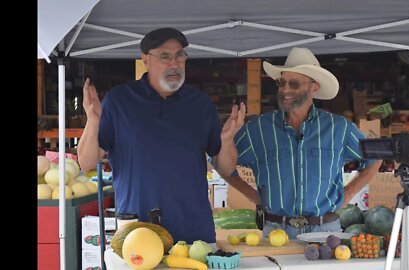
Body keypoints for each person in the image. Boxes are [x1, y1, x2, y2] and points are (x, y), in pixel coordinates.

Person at [77, 28, 246, 244]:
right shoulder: (119, 101)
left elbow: (226, 168)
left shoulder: (200, 104)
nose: (174, 63)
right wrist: (93, 120)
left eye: (180, 55)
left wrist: (227, 140)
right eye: (165, 56)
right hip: (136, 231)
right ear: (145, 60)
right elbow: (85, 161)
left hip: (193, 231)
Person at [224, 47, 382, 239]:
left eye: (294, 84)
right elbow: (222, 163)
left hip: (325, 230)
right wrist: (253, 196)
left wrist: (347, 194)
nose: (285, 90)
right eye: (281, 83)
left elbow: (376, 155)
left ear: (314, 88)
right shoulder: (259, 129)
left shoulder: (338, 128)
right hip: (276, 230)